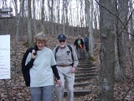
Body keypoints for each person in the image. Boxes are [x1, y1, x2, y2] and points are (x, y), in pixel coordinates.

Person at [21, 32, 62, 101]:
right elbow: (26, 67)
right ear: (36, 42)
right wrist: (32, 59)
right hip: (35, 82)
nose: (40, 44)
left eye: (42, 43)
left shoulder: (49, 52)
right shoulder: (31, 52)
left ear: (45, 42)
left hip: (47, 81)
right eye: (38, 42)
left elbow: (53, 66)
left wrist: (58, 78)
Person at [53, 34, 79, 101]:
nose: (62, 42)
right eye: (60, 41)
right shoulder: (55, 50)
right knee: (60, 86)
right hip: (59, 69)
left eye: (63, 41)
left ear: (66, 41)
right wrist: (54, 74)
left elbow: (76, 60)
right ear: (58, 41)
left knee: (70, 89)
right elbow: (52, 62)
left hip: (69, 68)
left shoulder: (70, 48)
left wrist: (74, 67)